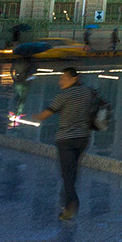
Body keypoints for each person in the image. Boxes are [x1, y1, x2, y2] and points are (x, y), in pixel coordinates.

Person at [33, 68, 98, 220]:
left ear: (73, 79)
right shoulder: (87, 92)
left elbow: (45, 115)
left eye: (64, 78)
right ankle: (66, 199)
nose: (60, 81)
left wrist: (33, 116)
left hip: (66, 139)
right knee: (73, 171)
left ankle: (71, 204)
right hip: (83, 138)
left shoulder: (63, 96)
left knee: (67, 174)